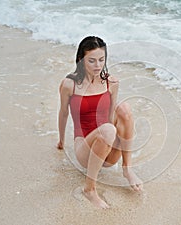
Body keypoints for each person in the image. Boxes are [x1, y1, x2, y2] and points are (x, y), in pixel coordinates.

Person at [57, 36, 143, 209]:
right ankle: (89, 189)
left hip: (108, 149)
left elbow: (112, 115)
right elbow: (64, 113)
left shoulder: (112, 82)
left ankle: (127, 169)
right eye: (92, 60)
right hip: (85, 149)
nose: (97, 65)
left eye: (101, 60)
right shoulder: (69, 85)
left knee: (124, 109)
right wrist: (61, 141)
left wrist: (112, 131)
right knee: (108, 130)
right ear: (81, 60)